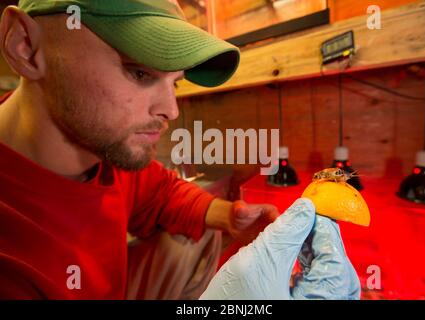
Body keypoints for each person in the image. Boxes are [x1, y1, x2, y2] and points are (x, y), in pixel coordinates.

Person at [0, 0, 360, 300]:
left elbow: (161, 191)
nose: (171, 110)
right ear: (26, 47)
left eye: (175, 82)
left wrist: (230, 217)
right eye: (139, 73)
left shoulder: (101, 155)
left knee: (196, 238)